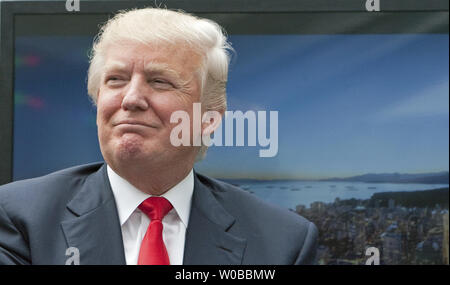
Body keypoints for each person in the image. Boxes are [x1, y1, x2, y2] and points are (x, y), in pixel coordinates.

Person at [0, 8, 318, 265]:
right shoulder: (19, 219)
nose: (131, 98)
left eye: (160, 81)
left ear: (209, 119)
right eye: (115, 79)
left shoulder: (283, 242)